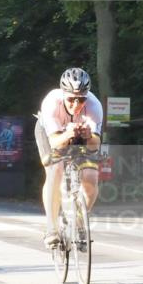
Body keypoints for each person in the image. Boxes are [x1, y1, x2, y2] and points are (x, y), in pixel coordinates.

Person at [35, 68, 103, 248]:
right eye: (71, 99)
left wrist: (89, 136)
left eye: (81, 99)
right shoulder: (51, 103)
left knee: (90, 176)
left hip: (79, 133)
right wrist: (67, 135)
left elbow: (95, 145)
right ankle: (51, 228)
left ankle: (80, 221)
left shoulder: (94, 106)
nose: (76, 104)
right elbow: (56, 143)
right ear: (63, 95)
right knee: (54, 169)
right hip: (52, 134)